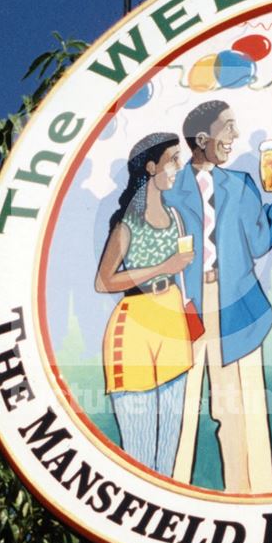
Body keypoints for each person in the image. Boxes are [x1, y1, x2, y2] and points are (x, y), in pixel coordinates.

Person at [164, 100, 272, 494]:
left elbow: (259, 240)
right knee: (178, 403)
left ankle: (253, 494)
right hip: (185, 303)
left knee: (239, 405)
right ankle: (168, 487)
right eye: (227, 128)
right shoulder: (168, 190)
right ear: (203, 139)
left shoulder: (242, 184)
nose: (234, 137)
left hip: (237, 300)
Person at [94, 132, 194, 476]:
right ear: (151, 167)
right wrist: (162, 268)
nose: (178, 168)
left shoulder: (175, 217)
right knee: (138, 455)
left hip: (172, 318)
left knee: (168, 448)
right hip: (135, 324)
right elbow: (104, 281)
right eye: (172, 160)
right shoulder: (127, 223)